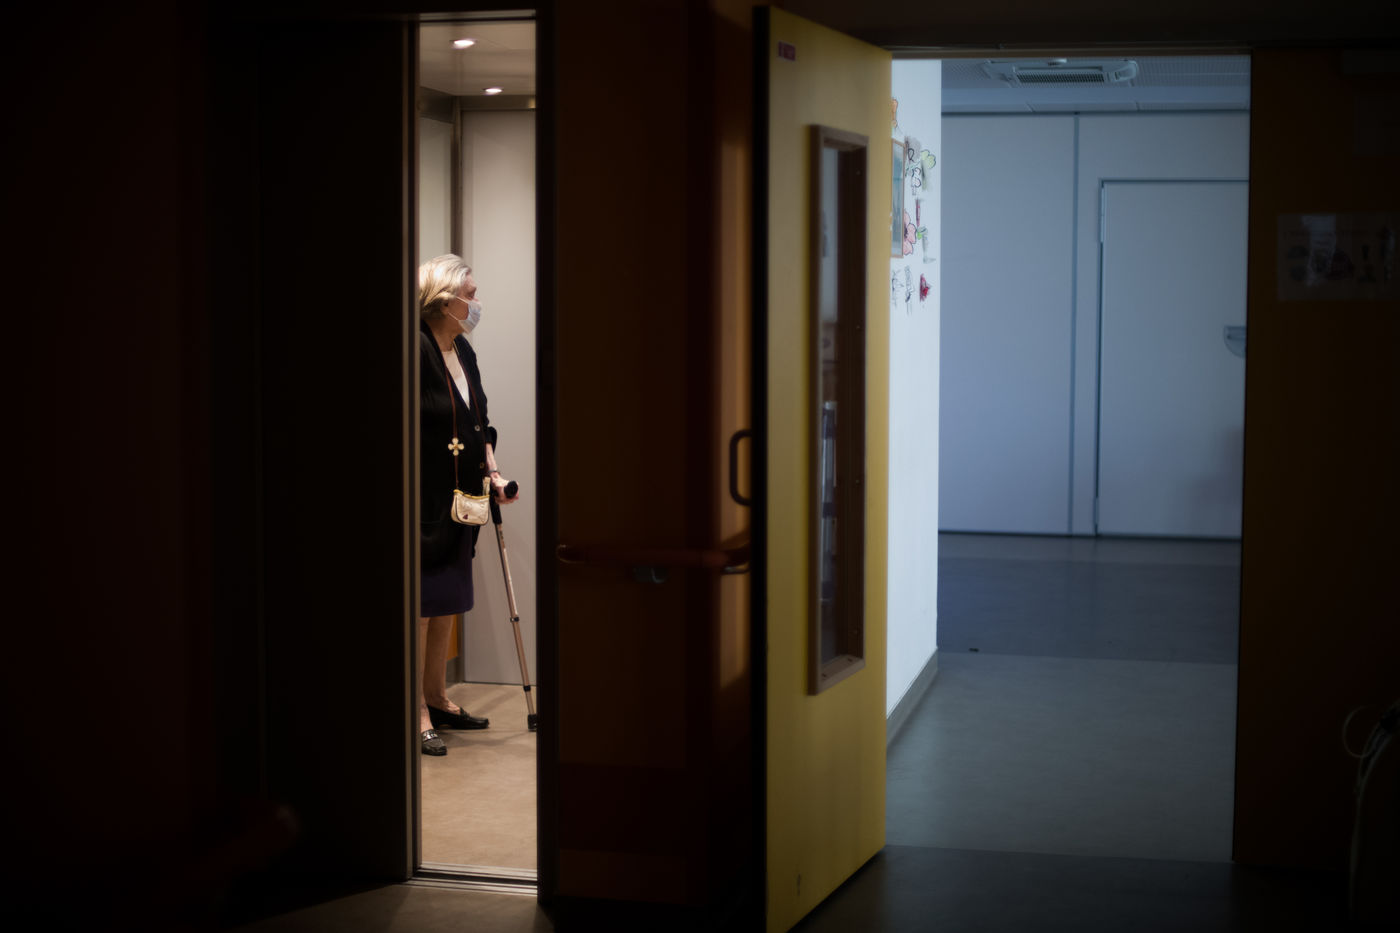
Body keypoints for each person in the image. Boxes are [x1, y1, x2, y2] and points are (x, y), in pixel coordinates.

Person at [417, 254, 519, 756]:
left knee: (446, 604)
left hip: (464, 499)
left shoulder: (463, 351)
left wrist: (494, 472)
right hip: (425, 503)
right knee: (420, 607)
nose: (476, 303)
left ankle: (437, 697)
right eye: (470, 295)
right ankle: (414, 710)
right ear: (443, 301)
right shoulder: (414, 350)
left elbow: (480, 421)